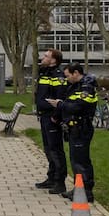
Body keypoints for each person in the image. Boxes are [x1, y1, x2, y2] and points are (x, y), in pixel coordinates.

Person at [49, 63, 97, 202]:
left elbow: (78, 107)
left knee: (81, 162)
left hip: (82, 127)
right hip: (74, 128)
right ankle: (79, 189)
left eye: (68, 75)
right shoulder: (75, 86)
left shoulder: (86, 88)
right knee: (76, 161)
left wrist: (59, 104)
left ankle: (85, 192)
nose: (67, 79)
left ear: (76, 73)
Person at [33, 48, 68, 195]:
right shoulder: (45, 73)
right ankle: (51, 177)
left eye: (46, 56)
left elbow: (59, 99)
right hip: (44, 116)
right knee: (48, 149)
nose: (43, 57)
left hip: (52, 118)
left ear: (53, 60)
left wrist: (56, 115)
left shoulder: (57, 76)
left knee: (55, 150)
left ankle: (60, 182)